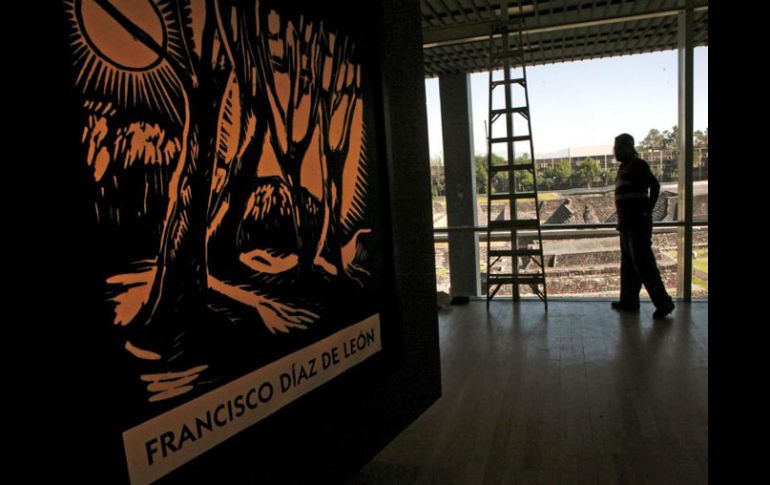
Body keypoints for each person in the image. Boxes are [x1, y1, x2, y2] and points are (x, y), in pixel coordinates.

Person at [611, 133, 675, 319]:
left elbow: (655, 186)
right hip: (626, 225)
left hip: (637, 223)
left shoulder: (638, 165)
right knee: (628, 266)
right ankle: (629, 301)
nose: (615, 151)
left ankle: (664, 303)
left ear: (629, 148)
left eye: (618, 147)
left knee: (644, 264)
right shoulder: (624, 167)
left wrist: (648, 210)